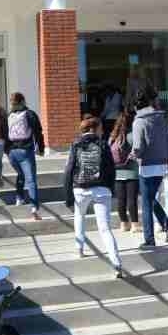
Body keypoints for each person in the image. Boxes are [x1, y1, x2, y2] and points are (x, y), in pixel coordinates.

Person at [63, 116, 123, 278]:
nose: (102, 130)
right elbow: (111, 169)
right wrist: (111, 189)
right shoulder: (103, 144)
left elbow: (69, 169)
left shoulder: (76, 144)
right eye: (101, 128)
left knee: (79, 216)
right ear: (93, 129)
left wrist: (68, 193)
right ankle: (116, 262)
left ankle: (79, 248)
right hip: (101, 189)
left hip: (80, 189)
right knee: (105, 228)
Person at [130, 88, 168, 249]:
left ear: (136, 106)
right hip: (161, 162)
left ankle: (149, 239)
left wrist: (132, 156)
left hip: (147, 165)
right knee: (149, 198)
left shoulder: (138, 122)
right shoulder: (160, 118)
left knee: (146, 202)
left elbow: (138, 147)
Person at [4, 92, 45, 219]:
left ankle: (19, 198)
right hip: (25, 150)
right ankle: (34, 207)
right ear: (23, 101)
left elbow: (5, 134)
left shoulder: (9, 115)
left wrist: (7, 150)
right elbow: (38, 132)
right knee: (31, 179)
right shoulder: (30, 114)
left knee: (21, 174)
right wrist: (41, 148)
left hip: (12, 152)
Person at [108, 110, 139, 234]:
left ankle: (124, 223)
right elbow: (137, 150)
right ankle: (135, 224)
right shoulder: (132, 135)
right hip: (131, 171)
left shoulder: (112, 137)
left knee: (121, 200)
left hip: (117, 172)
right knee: (132, 199)